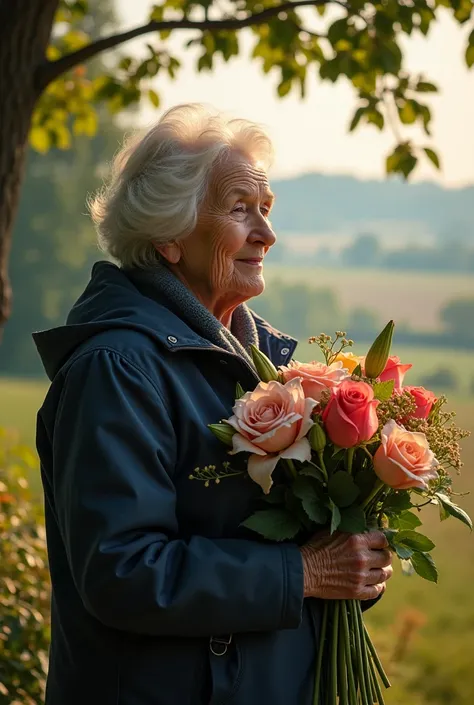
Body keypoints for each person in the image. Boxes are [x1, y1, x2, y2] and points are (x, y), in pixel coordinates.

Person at [34, 103, 392, 705]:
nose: (267, 234)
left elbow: (298, 546)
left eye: (267, 210)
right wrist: (302, 574)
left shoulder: (264, 362)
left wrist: (355, 550)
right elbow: (124, 571)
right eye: (239, 209)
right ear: (169, 236)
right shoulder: (116, 370)